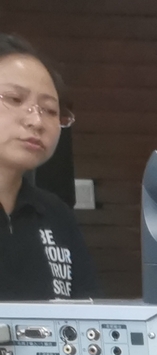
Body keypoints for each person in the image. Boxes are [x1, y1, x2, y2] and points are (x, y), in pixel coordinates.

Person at [0, 35, 96, 302]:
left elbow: (87, 314)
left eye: (50, 111)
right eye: (15, 99)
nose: (36, 121)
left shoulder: (57, 215)